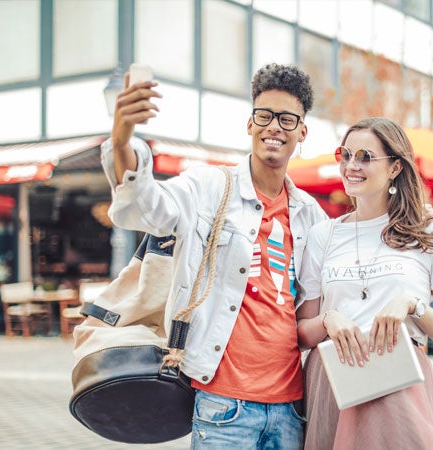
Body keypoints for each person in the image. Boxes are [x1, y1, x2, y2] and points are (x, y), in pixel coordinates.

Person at [102, 63, 328, 449]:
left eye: (288, 119)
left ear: (302, 131)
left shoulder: (311, 215)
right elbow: (146, 207)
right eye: (265, 115)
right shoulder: (208, 187)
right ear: (250, 124)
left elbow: (315, 304)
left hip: (291, 407)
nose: (275, 126)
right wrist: (122, 140)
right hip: (224, 405)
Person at [296, 117, 433, 449]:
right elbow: (302, 332)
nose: (351, 166)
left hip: (399, 385)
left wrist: (413, 305)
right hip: (334, 384)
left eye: (365, 156)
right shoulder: (323, 236)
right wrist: (329, 321)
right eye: (345, 155)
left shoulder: (432, 233)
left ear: (394, 168)